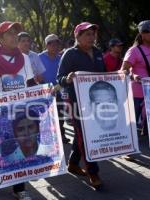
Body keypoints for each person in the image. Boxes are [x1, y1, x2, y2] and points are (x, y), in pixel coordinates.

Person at [0, 21, 35, 200]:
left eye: (15, 34)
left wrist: (43, 94)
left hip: (21, 111)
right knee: (2, 148)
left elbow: (30, 83)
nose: (14, 37)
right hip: (0, 112)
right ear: (0, 38)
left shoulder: (24, 58)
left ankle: (19, 188)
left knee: (20, 147)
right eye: (9, 34)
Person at [57, 22, 107, 188]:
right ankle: (93, 172)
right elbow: (60, 78)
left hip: (96, 102)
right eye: (87, 34)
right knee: (85, 135)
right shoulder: (70, 54)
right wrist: (68, 79)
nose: (91, 37)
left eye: (93, 34)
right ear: (77, 36)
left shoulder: (99, 52)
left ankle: (72, 163)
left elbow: (104, 76)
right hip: (76, 102)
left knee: (82, 134)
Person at [121, 20, 150, 137]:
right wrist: (133, 76)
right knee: (132, 122)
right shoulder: (134, 51)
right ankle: (129, 144)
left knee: (149, 122)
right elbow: (123, 71)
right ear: (142, 34)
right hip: (137, 93)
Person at [39, 34, 70, 144]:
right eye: (53, 44)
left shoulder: (61, 58)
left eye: (58, 44)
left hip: (59, 91)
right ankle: (47, 137)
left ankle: (61, 135)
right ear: (47, 45)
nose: (56, 47)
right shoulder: (39, 57)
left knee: (60, 115)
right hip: (44, 92)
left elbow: (64, 74)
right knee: (45, 116)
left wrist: (58, 86)